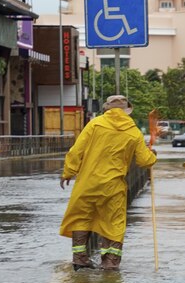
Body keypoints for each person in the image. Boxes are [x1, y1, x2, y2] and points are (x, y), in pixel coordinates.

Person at [59, 96, 157, 271]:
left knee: (81, 218)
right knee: (113, 223)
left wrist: (68, 172)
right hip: (113, 186)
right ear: (127, 111)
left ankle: (80, 259)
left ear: (107, 109)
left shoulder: (95, 124)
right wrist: (153, 156)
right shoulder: (133, 132)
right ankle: (110, 263)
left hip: (88, 183)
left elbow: (76, 151)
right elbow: (144, 161)